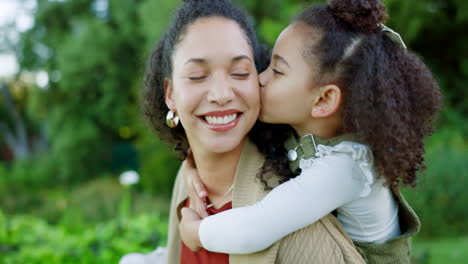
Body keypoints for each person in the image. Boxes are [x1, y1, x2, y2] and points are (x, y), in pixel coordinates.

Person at [178, 0, 441, 263]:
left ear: (323, 100)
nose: (260, 77)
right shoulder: (306, 131)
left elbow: (255, 228)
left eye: (277, 71)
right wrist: (192, 168)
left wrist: (196, 233)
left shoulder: (345, 168)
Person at [137, 0, 366, 263]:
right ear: (170, 95)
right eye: (198, 76)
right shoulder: (188, 180)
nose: (221, 95)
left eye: (239, 72)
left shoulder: (293, 223)